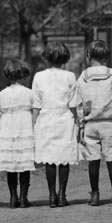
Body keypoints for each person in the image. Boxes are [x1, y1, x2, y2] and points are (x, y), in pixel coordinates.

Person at [76, 40, 112, 206]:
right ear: (106, 57)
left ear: (88, 56)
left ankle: (95, 195)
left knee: (93, 160)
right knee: (111, 159)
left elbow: (79, 102)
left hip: (90, 124)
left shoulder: (83, 76)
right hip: (109, 123)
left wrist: (81, 123)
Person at [32, 42, 79, 208]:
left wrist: (33, 123)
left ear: (47, 58)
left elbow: (36, 104)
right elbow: (73, 103)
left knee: (49, 159)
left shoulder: (39, 76)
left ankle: (52, 195)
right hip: (64, 118)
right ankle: (62, 194)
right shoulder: (70, 76)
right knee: (64, 158)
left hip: (46, 118)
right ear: (65, 58)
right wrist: (77, 120)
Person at [0, 59, 35, 208]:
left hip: (7, 131)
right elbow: (35, 112)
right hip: (24, 130)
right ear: (23, 75)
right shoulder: (29, 93)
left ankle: (13, 197)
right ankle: (23, 197)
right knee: (24, 165)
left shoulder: (2, 94)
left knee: (11, 166)